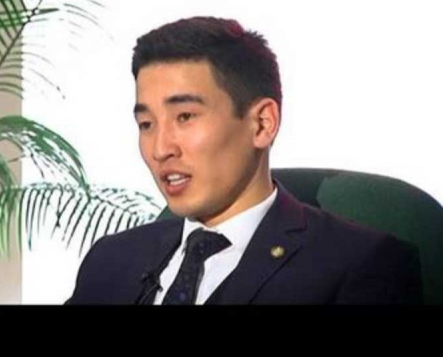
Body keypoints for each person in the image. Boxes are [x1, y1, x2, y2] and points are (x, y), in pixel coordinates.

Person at [66, 16, 423, 305]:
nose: (160, 149)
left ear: (262, 124)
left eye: (185, 117)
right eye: (146, 124)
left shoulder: (358, 266)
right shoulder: (111, 260)